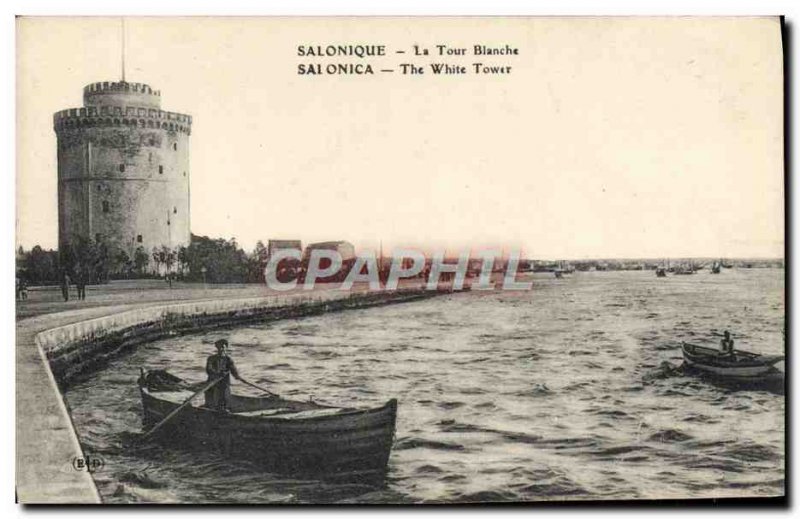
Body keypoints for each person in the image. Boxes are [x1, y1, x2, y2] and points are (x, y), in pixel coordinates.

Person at [204, 339, 242, 411]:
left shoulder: (228, 359)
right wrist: (217, 373)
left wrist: (237, 376)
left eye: (223, 347)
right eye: (219, 347)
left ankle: (223, 410)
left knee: (224, 398)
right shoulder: (211, 358)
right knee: (210, 400)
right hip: (212, 382)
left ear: (226, 348)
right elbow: (209, 370)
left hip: (224, 383)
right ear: (217, 348)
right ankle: (209, 410)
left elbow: (233, 370)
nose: (221, 349)